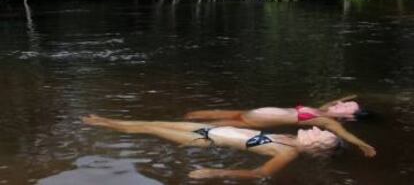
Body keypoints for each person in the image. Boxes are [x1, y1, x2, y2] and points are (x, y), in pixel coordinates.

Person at [82, 114, 340, 180]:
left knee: (148, 128)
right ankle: (105, 121)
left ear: (315, 149)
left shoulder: (289, 152)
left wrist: (214, 173)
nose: (316, 129)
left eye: (321, 135)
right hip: (210, 129)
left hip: (204, 139)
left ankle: (100, 124)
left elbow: (260, 174)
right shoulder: (289, 137)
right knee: (149, 122)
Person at [184, 95, 376, 157]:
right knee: (196, 115)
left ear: (349, 116)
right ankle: (179, 120)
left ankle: (181, 132)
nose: (340, 105)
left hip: (255, 121)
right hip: (251, 111)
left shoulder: (326, 121)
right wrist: (347, 97)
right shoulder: (324, 110)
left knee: (209, 126)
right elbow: (333, 102)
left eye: (347, 106)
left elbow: (344, 134)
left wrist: (362, 145)